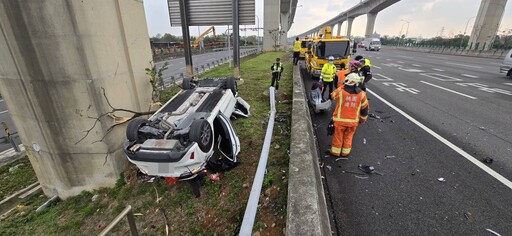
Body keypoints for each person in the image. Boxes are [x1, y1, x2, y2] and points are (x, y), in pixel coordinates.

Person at [327, 73, 369, 158]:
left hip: (340, 121)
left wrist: (342, 86)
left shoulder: (341, 91)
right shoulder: (362, 94)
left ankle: (335, 152)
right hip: (353, 122)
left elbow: (332, 96)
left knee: (338, 137)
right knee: (349, 136)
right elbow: (365, 109)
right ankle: (345, 152)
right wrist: (362, 119)